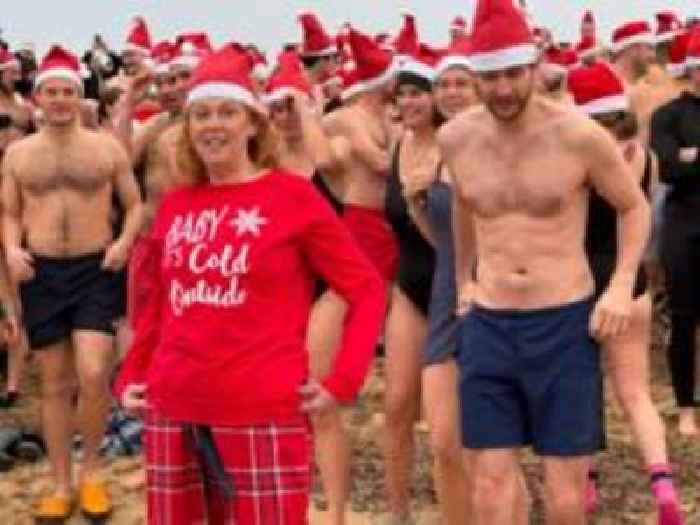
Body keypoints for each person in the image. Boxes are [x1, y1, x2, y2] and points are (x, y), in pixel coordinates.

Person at [115, 45, 386, 524]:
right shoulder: (177, 205)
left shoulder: (292, 197)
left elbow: (366, 288)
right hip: (175, 404)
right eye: (201, 114)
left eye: (226, 113)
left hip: (261, 408)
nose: (212, 125)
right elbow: (160, 306)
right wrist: (132, 374)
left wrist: (343, 381)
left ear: (253, 124)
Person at [439, 1, 650, 524]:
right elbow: (466, 205)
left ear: (533, 67)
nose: (504, 89)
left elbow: (633, 206)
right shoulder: (457, 138)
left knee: (564, 495)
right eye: (491, 77)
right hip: (489, 321)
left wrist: (621, 284)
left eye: (514, 73)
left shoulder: (577, 135)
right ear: (475, 76)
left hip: (562, 321)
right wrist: (465, 279)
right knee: (488, 483)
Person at [1, 45, 143, 521]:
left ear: (79, 95)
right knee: (56, 382)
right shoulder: (19, 154)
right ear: (38, 97)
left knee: (94, 369)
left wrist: (123, 243)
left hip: (95, 268)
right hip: (42, 271)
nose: (60, 99)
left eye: (68, 91)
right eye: (51, 91)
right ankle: (61, 483)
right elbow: (9, 211)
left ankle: (93, 471)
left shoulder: (104, 148)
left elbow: (135, 204)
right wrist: (12, 248)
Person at [569, 60, 684, 524]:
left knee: (582, 388)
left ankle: (588, 485)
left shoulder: (582, 156)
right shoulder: (646, 157)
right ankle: (662, 485)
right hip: (630, 279)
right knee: (636, 393)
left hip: (582, 280)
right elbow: (642, 215)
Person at [265, 50, 353, 525]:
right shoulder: (264, 161)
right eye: (275, 108)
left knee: (318, 400)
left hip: (328, 286)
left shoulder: (329, 150)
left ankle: (336, 512)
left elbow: (324, 160)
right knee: (277, 401)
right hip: (280, 289)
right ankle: (293, 501)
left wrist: (308, 109)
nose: (284, 116)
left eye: (289, 107)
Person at [381, 56, 442, 524]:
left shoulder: (454, 144)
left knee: (446, 425)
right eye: (402, 94)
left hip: (452, 286)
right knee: (397, 404)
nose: (408, 102)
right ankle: (398, 511)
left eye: (417, 92)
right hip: (408, 285)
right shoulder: (398, 143)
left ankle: (458, 510)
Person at [650, 25, 700, 437]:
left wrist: (693, 156)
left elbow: (684, 163)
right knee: (683, 318)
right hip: (683, 225)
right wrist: (683, 160)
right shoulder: (668, 115)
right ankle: (686, 405)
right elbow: (667, 167)